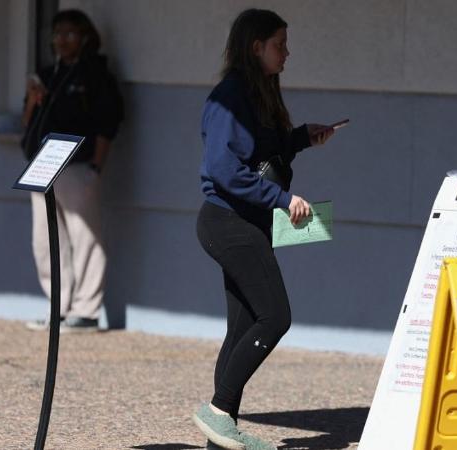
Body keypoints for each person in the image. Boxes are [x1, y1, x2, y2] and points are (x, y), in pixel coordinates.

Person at [192, 8, 335, 450]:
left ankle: (223, 434)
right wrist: (282, 199)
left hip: (245, 222)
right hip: (228, 223)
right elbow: (223, 169)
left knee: (242, 328)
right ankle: (218, 412)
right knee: (275, 317)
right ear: (256, 47)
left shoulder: (257, 94)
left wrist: (299, 138)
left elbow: (259, 154)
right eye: (280, 44)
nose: (287, 53)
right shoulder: (230, 96)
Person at [21, 9, 124, 333]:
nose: (60, 41)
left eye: (68, 34)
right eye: (56, 34)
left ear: (84, 37)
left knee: (86, 237)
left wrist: (96, 166)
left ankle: (86, 310)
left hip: (78, 165)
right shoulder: (47, 74)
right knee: (45, 239)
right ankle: (58, 307)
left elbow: (108, 122)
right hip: (42, 165)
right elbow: (28, 122)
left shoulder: (96, 75)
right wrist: (33, 100)